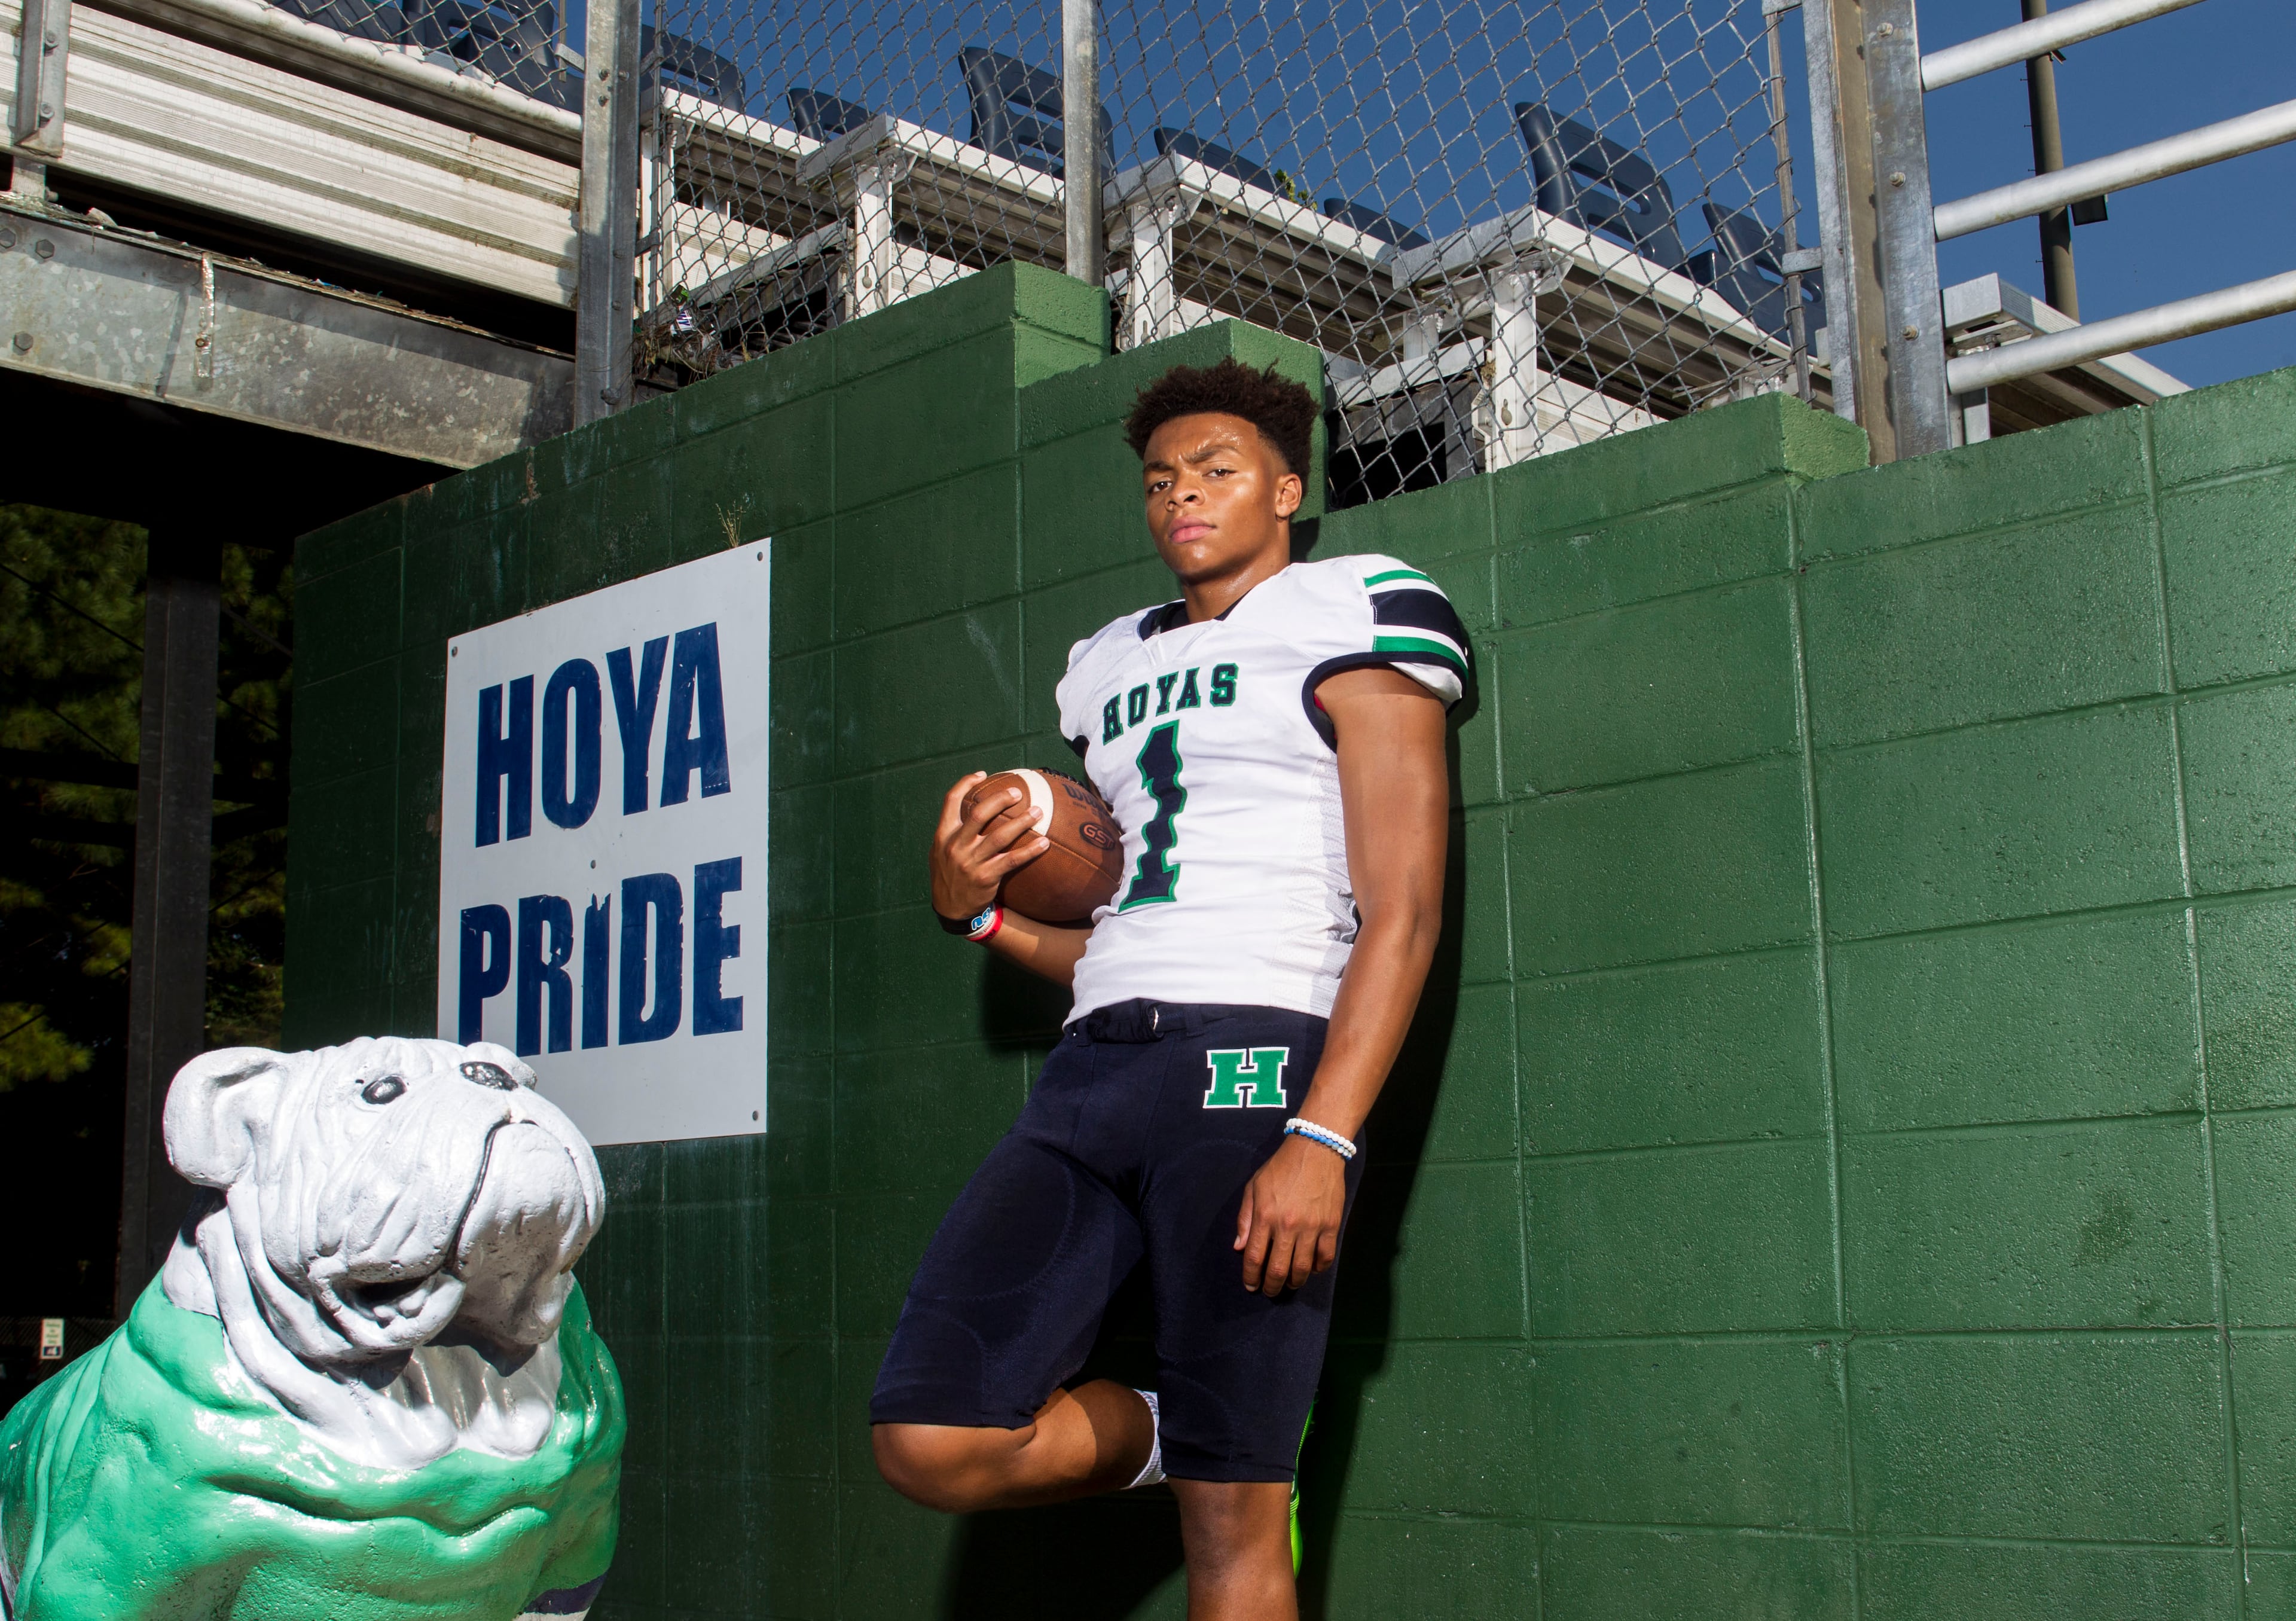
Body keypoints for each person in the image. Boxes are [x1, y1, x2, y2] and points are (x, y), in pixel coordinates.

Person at [869, 356, 1466, 1618]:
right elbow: (1117, 934)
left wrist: (1322, 1135)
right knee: (930, 1438)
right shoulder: (1101, 668)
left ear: (1287, 490)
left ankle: (1228, 1460)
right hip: (1094, 1068)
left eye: (1216, 470)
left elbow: (1404, 913)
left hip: (1260, 1057)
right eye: (1159, 480)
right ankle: (1174, 1433)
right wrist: (980, 915)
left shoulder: (1356, 607)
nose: (1181, 495)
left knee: (1230, 1542)